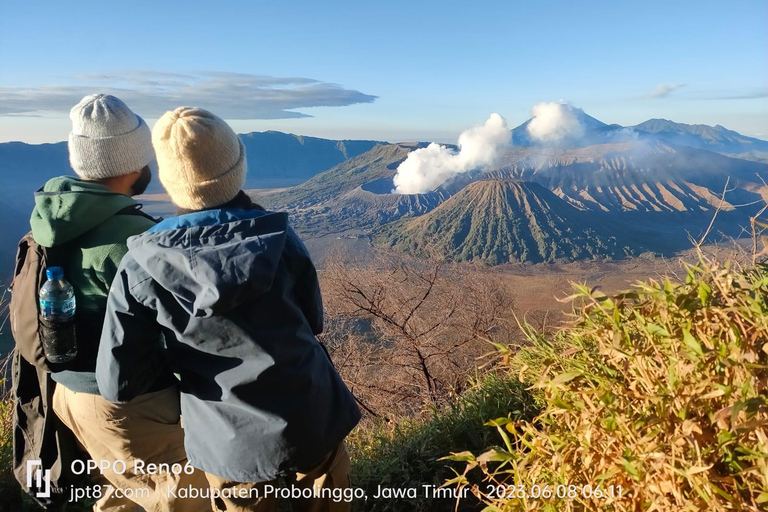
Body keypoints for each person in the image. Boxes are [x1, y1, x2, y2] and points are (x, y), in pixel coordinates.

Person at [96, 107, 361, 512]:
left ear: (170, 183)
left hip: (227, 442)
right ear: (236, 166)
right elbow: (313, 321)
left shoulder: (141, 266)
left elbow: (118, 379)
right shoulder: (278, 239)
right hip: (312, 416)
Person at [33, 94, 210, 512]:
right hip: (129, 403)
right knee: (188, 497)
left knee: (128, 489)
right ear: (133, 161)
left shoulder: (55, 218)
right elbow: (184, 332)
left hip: (70, 395)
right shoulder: (134, 240)